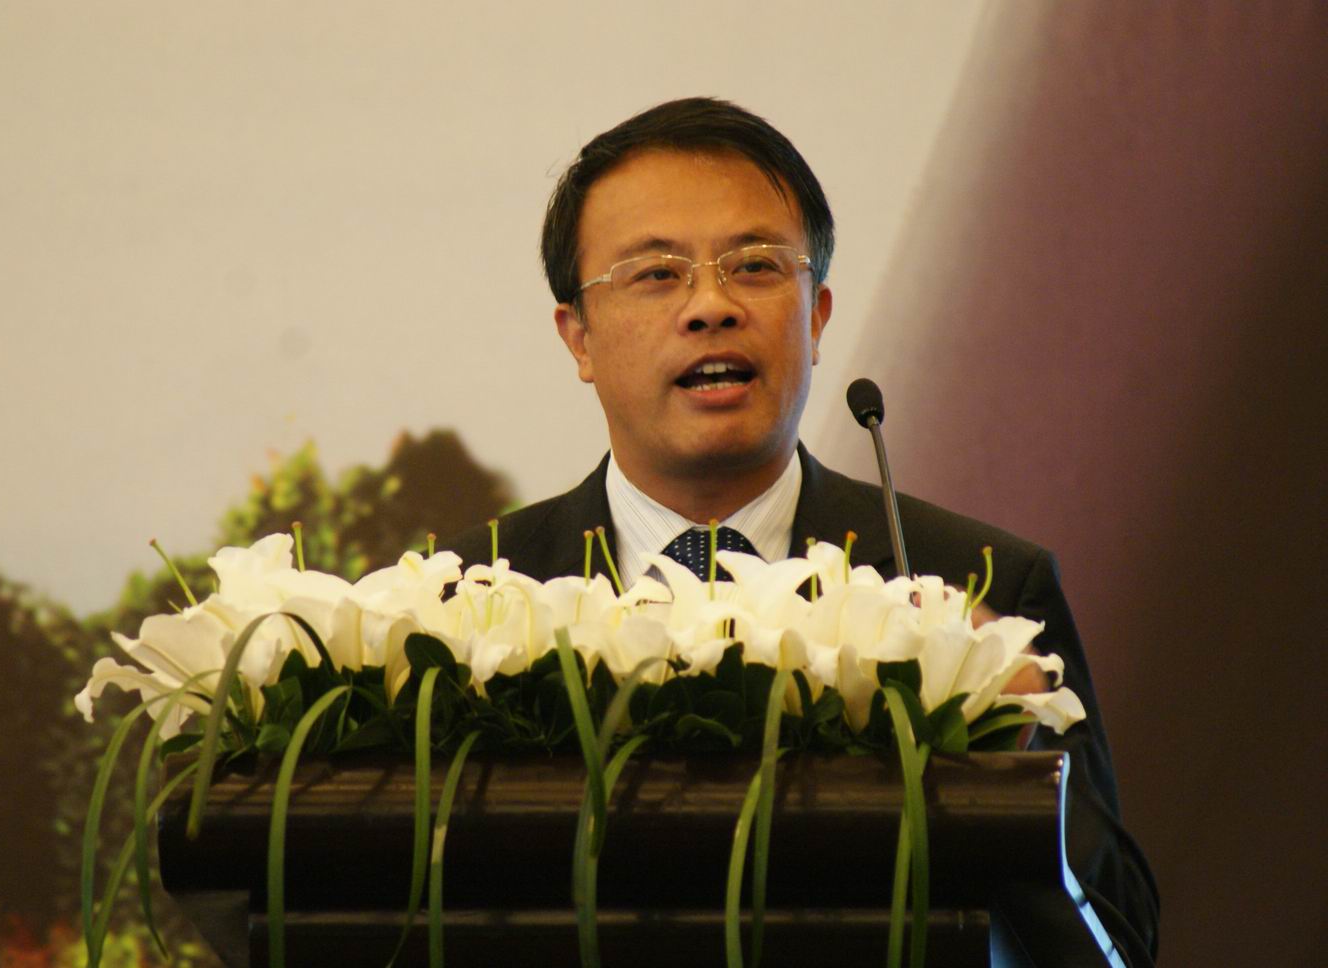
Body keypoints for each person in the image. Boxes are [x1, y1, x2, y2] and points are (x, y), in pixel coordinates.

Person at [441, 97, 1158, 963]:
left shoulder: (977, 588)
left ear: (816, 317)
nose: (710, 306)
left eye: (754, 266)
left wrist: (1014, 765)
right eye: (657, 274)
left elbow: (1118, 933)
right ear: (578, 338)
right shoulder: (463, 602)